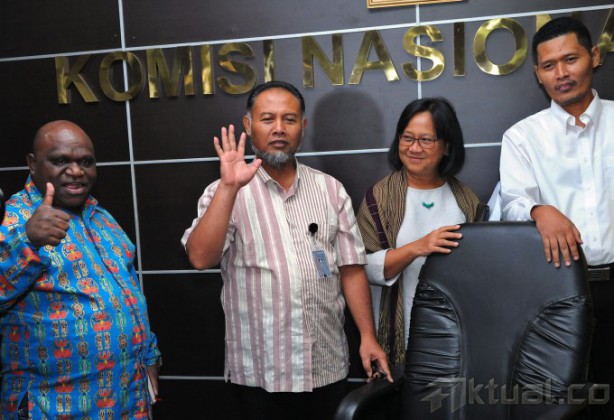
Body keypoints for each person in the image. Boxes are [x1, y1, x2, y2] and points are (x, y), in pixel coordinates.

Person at [181, 81, 391, 420]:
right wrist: (229, 188)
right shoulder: (224, 192)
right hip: (259, 373)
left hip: (324, 367)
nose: (279, 128)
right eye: (267, 119)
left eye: (289, 119)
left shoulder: (330, 190)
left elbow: (351, 269)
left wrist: (368, 336)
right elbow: (200, 258)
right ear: (249, 125)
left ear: (302, 127)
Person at [0, 121, 161, 418]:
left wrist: (149, 355)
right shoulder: (11, 220)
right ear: (33, 164)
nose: (76, 171)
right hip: (54, 406)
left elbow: (129, 293)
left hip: (126, 399)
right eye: (61, 160)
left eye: (85, 162)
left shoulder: (102, 217)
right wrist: (27, 241)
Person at [499, 17, 613, 417]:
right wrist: (538, 209)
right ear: (538, 74)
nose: (561, 73)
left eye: (570, 59)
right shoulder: (522, 137)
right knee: (565, 406)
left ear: (593, 56)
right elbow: (512, 203)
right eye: (549, 66)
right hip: (559, 292)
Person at [356, 98, 487, 366]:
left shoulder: (465, 199)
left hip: (453, 333)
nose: (414, 148)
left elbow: (481, 272)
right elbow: (360, 269)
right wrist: (418, 247)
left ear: (447, 146)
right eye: (407, 138)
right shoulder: (379, 198)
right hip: (397, 335)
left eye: (426, 140)